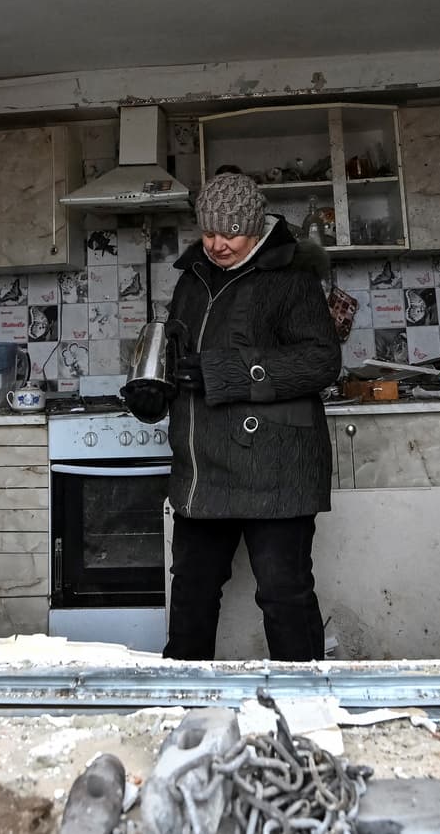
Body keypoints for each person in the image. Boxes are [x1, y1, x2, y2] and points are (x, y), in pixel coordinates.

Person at [146, 171, 341, 660]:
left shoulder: (292, 277)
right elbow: (179, 351)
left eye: (229, 233)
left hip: (275, 468)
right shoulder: (191, 277)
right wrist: (153, 387)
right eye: (208, 232)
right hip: (204, 468)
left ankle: (305, 707)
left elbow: (321, 361)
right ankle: (183, 705)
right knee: (191, 592)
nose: (217, 244)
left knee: (283, 594)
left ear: (254, 228)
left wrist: (227, 373)